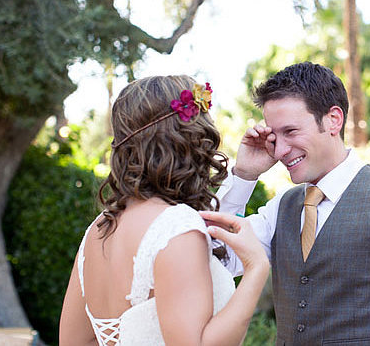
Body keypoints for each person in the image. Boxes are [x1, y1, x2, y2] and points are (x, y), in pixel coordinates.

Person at [215, 62, 370, 345]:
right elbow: (220, 260)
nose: (279, 150)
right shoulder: (283, 207)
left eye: (291, 131)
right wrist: (244, 175)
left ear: (333, 120)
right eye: (275, 136)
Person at [59, 75, 269, 346]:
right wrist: (255, 269)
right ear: (191, 140)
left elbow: (72, 341)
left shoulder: (99, 229)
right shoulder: (176, 226)